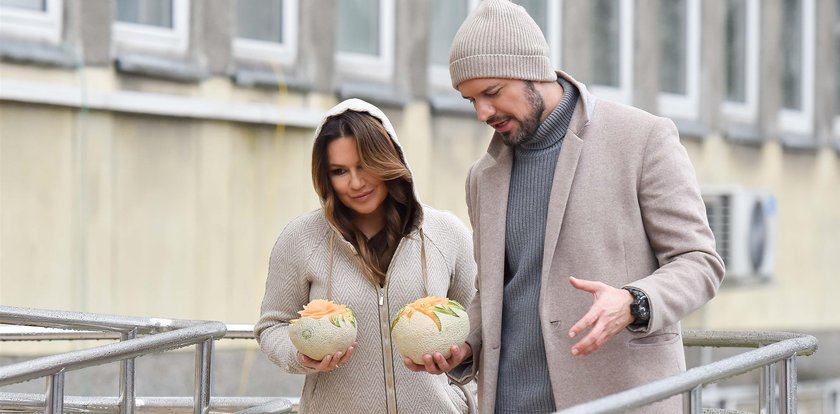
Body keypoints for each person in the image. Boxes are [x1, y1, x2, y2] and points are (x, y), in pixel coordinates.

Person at [404, 1, 726, 413]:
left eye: (492, 93)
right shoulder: (482, 176)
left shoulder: (643, 138)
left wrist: (634, 302)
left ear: (536, 72)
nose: (483, 112)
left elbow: (700, 261)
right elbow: (496, 291)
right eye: (471, 100)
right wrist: (465, 347)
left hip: (617, 400)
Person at [254, 98, 477, 414]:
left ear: (387, 160)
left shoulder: (446, 233)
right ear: (325, 176)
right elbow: (271, 326)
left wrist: (465, 399)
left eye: (364, 165)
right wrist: (301, 356)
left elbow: (480, 324)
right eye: (340, 171)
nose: (356, 183)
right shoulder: (300, 239)